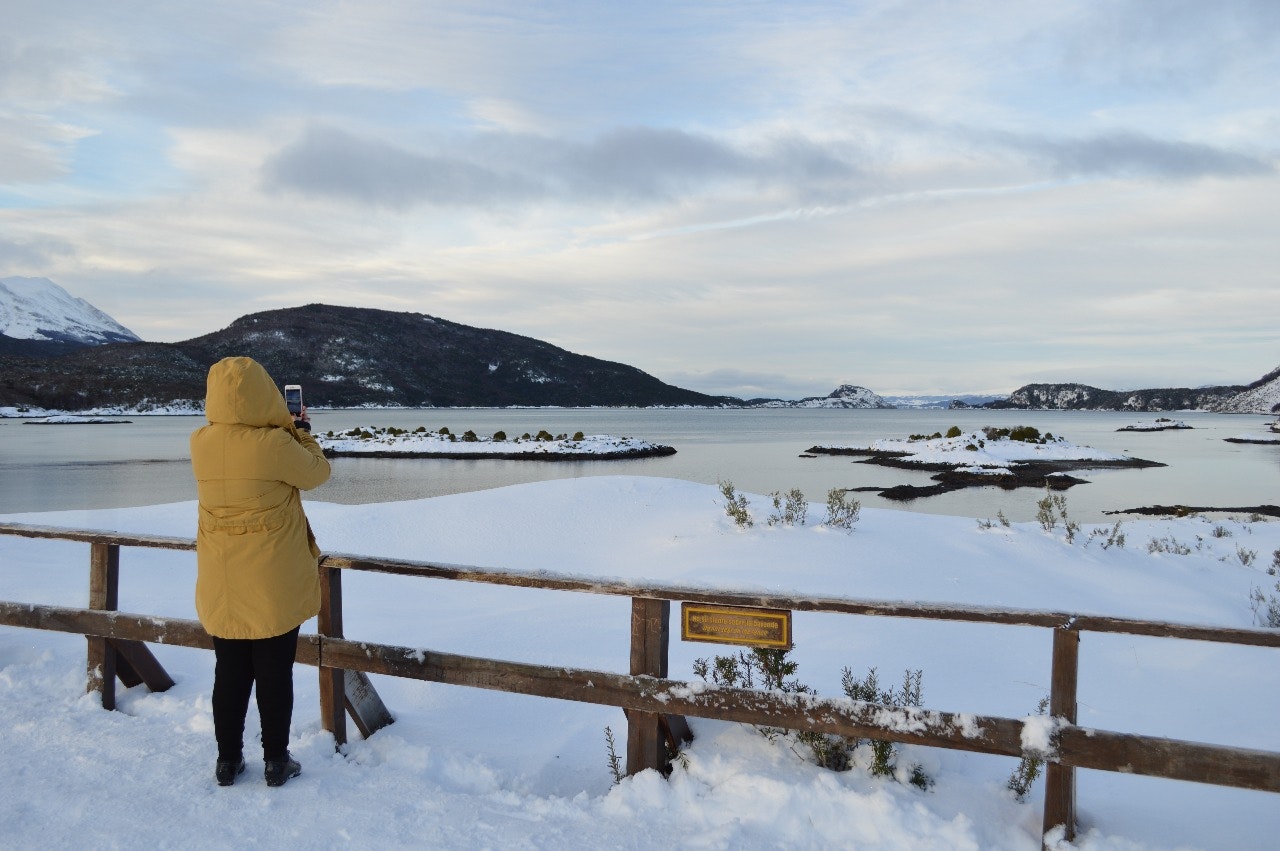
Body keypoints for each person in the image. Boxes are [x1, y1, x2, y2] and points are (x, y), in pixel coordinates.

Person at [190, 357, 331, 787]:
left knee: (229, 674)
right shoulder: (274, 444)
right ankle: (275, 761)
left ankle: (227, 760)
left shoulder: (200, 442)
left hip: (222, 581)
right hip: (271, 583)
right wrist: (299, 430)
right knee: (274, 675)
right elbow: (318, 473)